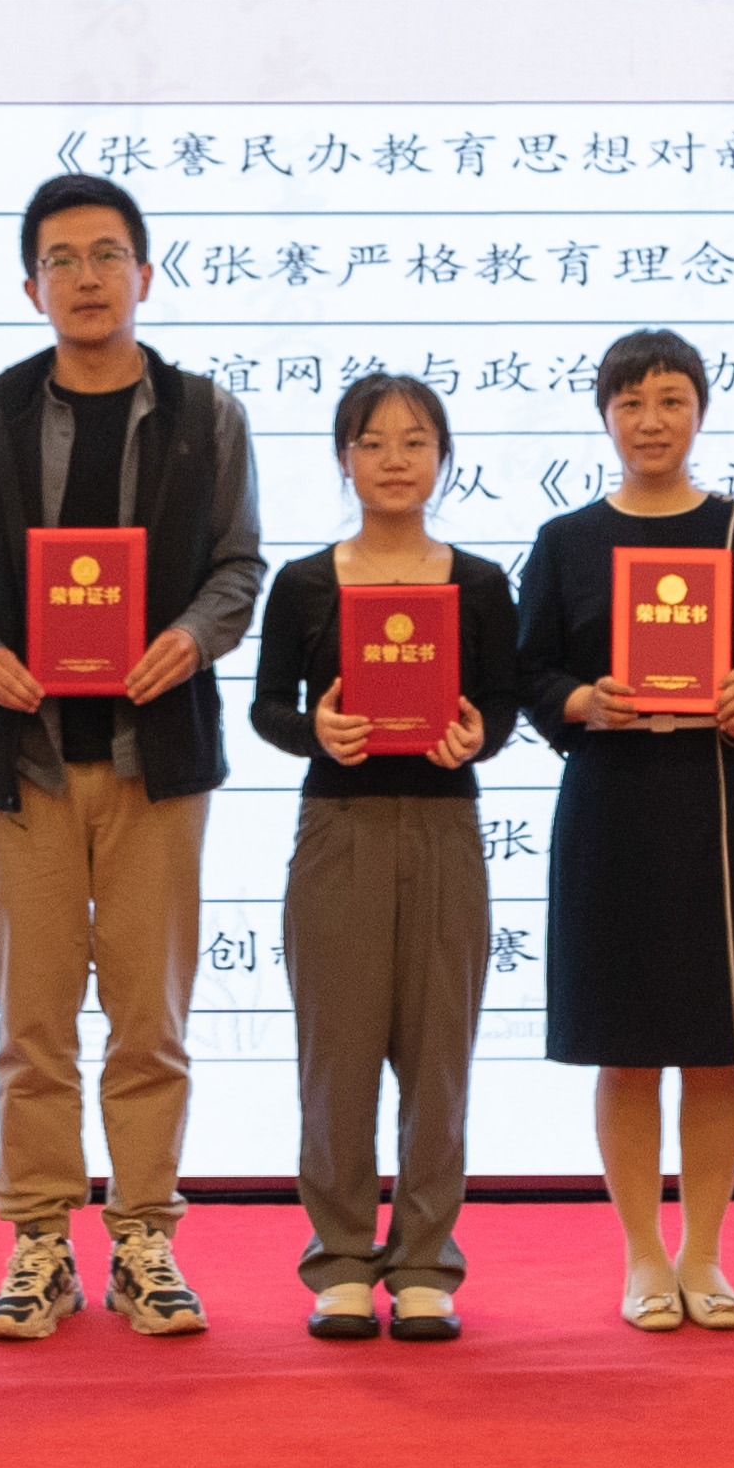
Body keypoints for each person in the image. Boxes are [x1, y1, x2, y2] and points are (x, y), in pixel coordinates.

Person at [0, 173, 266, 1341]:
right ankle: (38, 1243)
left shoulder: (207, 414)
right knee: (33, 1021)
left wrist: (191, 637)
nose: (85, 276)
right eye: (59, 259)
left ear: (144, 274)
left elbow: (238, 566)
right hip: (26, 760)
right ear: (31, 287)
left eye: (106, 254)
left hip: (155, 758)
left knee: (149, 1018)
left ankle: (145, 1235)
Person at [514, 328, 734, 1334]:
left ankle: (705, 1253)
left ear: (700, 412)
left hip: (721, 803)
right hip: (611, 804)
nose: (651, 421)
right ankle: (643, 1252)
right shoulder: (566, 539)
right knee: (626, 1044)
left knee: (718, 1046)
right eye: (631, 402)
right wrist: (579, 701)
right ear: (604, 415)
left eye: (671, 400)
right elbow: (529, 672)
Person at [248, 373, 517, 1344]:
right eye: (372, 442)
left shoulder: (478, 583)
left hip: (444, 831)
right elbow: (268, 706)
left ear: (443, 457)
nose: (394, 459)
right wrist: (315, 730)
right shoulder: (305, 582)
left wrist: (477, 737)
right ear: (343, 458)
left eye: (414, 441)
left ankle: (425, 1265)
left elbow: (501, 709)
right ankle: (340, 1262)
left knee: (439, 1060)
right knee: (338, 1060)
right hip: (340, 830)